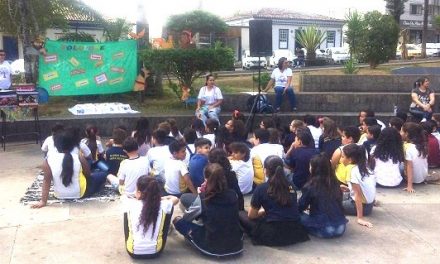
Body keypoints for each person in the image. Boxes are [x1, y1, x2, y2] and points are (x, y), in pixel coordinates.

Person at [173, 163, 244, 257]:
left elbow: (187, 218)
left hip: (213, 248)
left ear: (206, 179)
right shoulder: (233, 194)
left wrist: (199, 197)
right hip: (236, 245)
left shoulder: (204, 198)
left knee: (178, 220)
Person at [239, 155, 309, 246]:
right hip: (295, 232)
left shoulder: (261, 188)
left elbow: (252, 215)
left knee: (240, 214)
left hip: (273, 234)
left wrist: (263, 212)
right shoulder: (291, 186)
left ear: (266, 170)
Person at [31, 128, 107, 208]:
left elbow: (47, 181)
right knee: (102, 175)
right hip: (82, 193)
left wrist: (43, 201)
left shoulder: (48, 160)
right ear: (73, 144)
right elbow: (88, 175)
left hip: (59, 195)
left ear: (56, 145)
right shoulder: (78, 157)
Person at [124, 176, 178, 259]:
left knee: (126, 212)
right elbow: (175, 199)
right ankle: (165, 232)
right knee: (170, 208)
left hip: (133, 251)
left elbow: (124, 197)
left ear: (139, 192)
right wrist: (159, 199)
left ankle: (132, 239)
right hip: (156, 251)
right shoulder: (164, 205)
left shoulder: (130, 204)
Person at [298, 154, 348, 238]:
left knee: (296, 215)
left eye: (310, 166)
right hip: (341, 228)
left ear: (314, 168)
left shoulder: (311, 186)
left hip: (324, 230)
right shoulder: (335, 183)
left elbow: (301, 206)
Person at [340, 144, 376, 228]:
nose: (341, 160)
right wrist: (349, 188)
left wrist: (360, 218)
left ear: (350, 160)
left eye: (343, 157)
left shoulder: (351, 170)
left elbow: (357, 195)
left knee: (331, 205)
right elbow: (369, 186)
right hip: (369, 204)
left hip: (363, 207)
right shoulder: (365, 167)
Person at [401, 122, 428, 193]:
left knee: (399, 165)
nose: (400, 133)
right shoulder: (423, 145)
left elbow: (410, 167)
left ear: (406, 134)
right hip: (422, 177)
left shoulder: (408, 148)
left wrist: (410, 185)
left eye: (401, 131)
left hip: (414, 179)